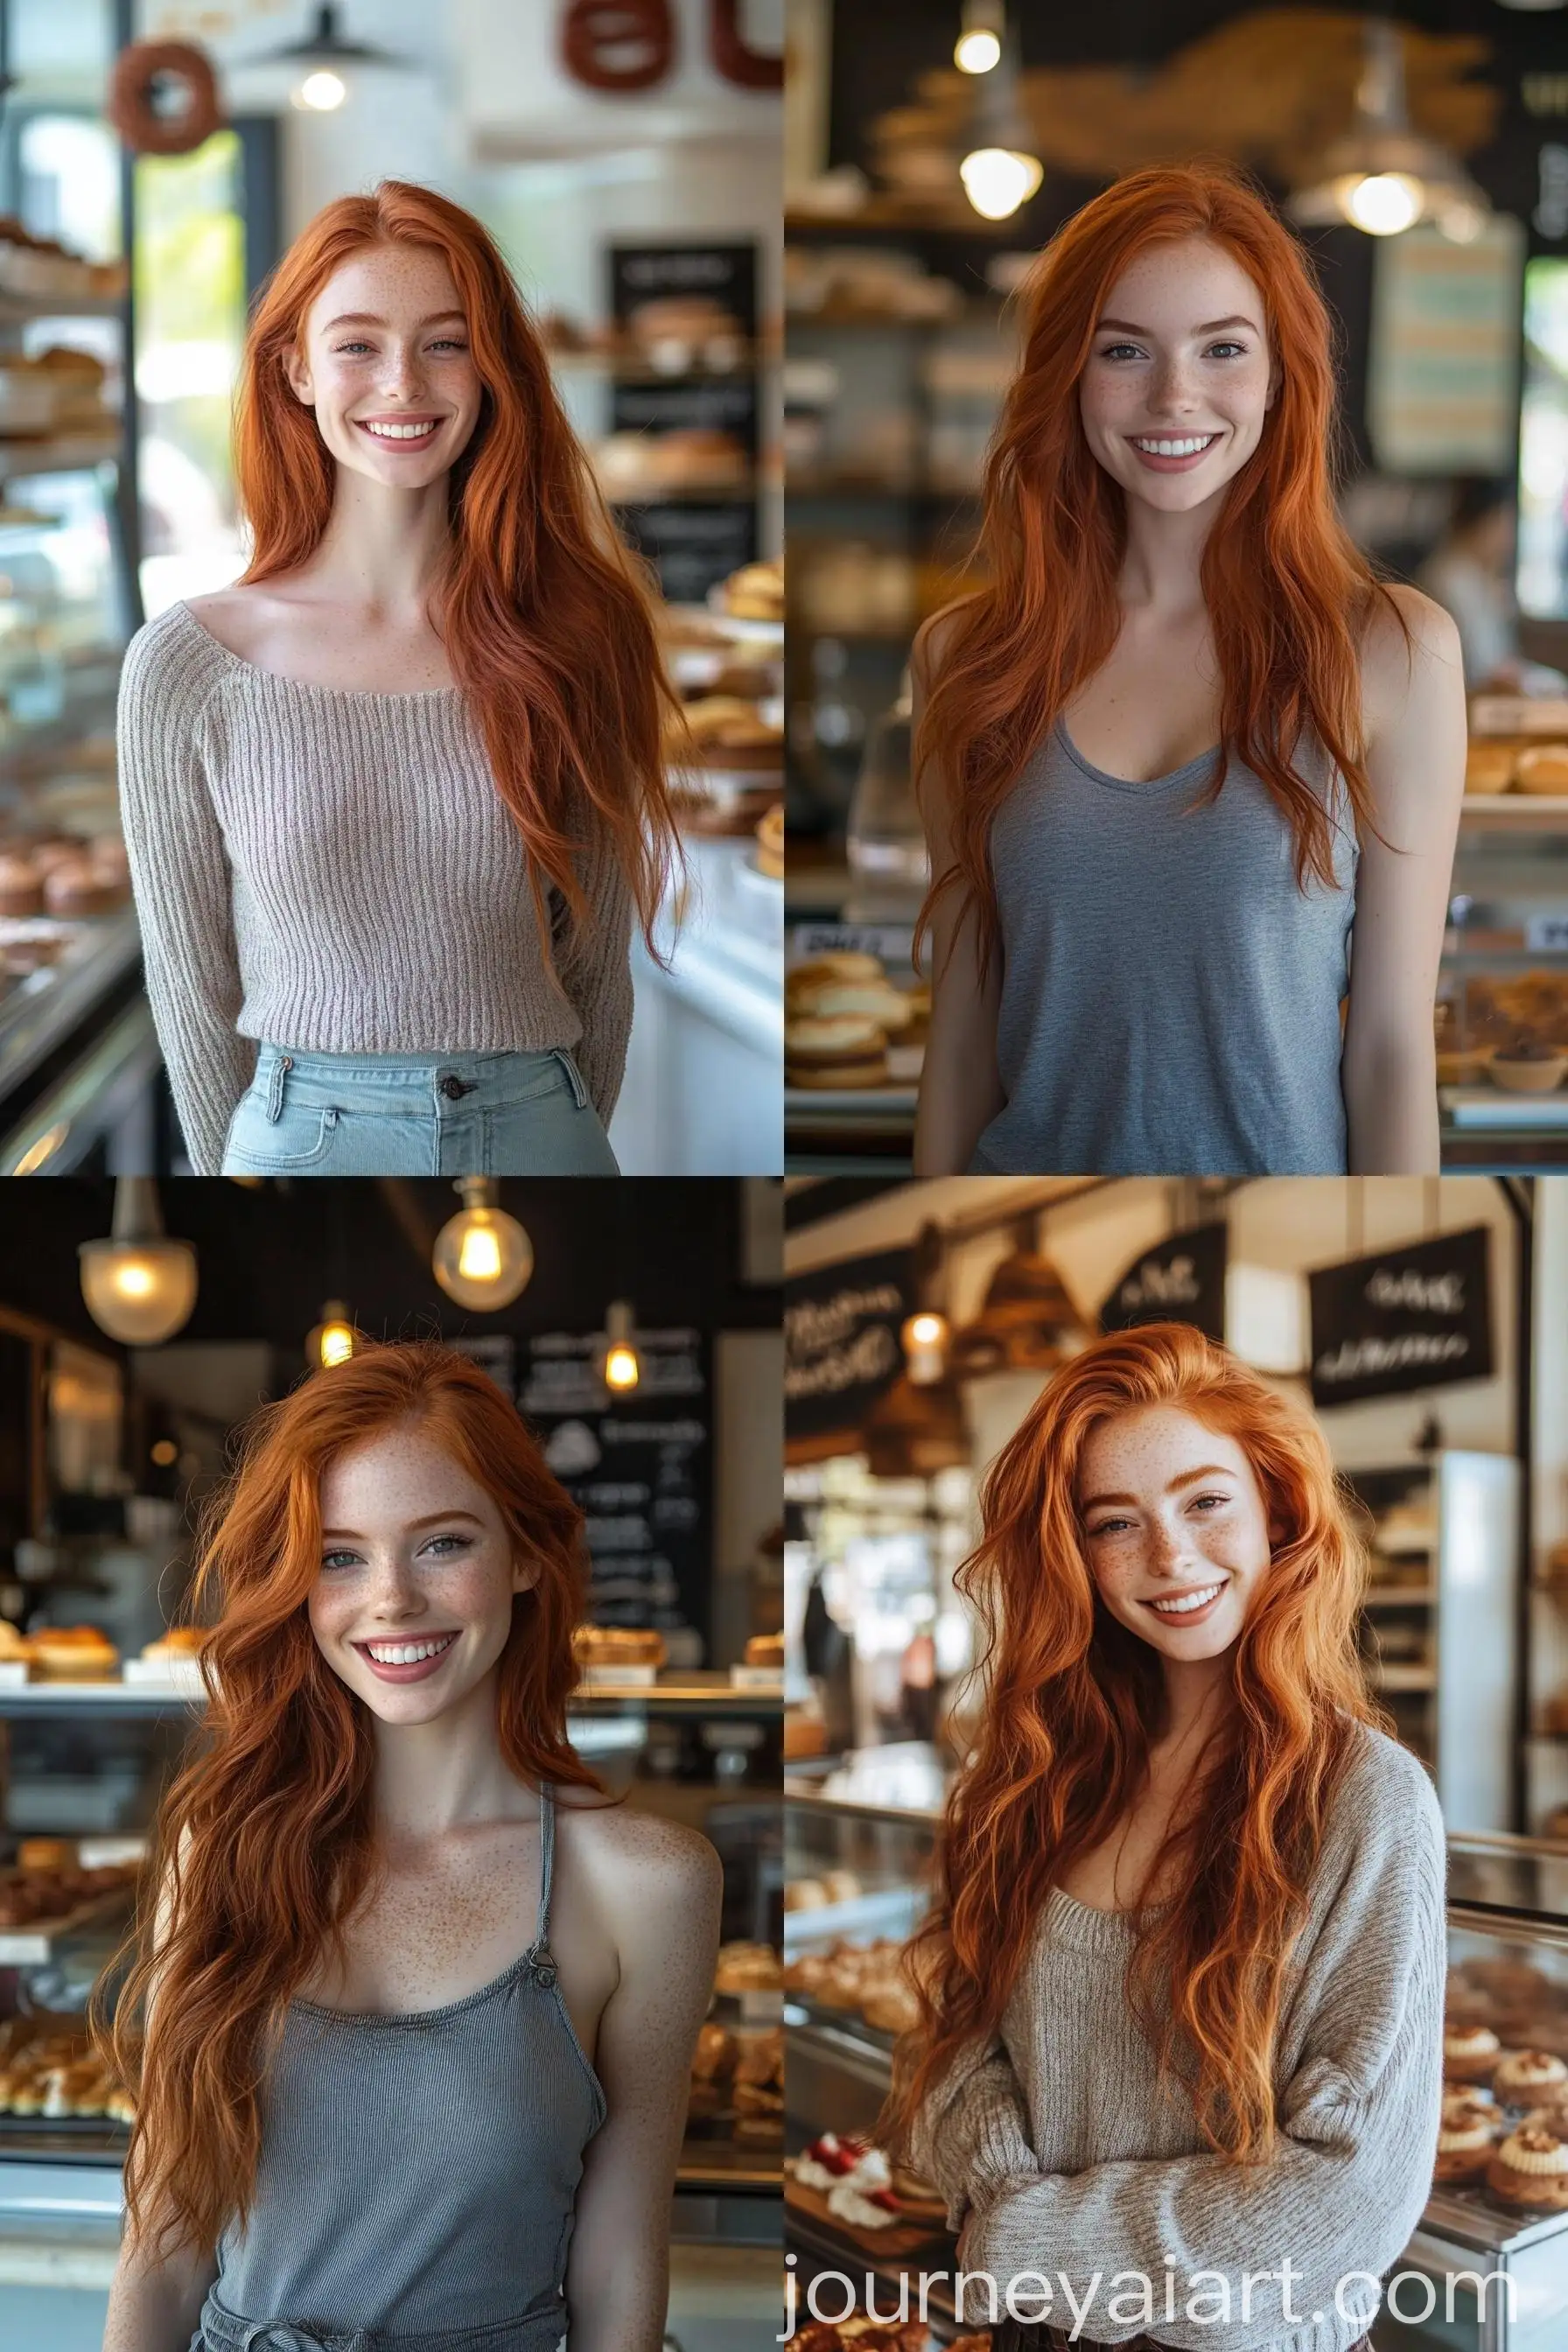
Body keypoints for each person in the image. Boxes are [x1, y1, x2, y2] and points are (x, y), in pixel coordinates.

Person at [95, 1341, 722, 2352]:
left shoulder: (648, 1886)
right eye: (339, 1556)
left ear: (524, 1555)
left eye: (442, 1544)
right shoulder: (220, 1853)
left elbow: (617, 2264)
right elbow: (163, 2240)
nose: (390, 1598)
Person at [881, 1322, 1445, 2352]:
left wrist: (1026, 2246)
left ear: (1276, 1508)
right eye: (1114, 1524)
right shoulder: (1041, 1775)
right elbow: (957, 2039)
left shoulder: (1368, 1800)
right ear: (1073, 1554)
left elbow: (1347, 2198)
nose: (1170, 1556)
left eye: (1205, 1501)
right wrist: (1010, 2210)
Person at [117, 180, 684, 1178]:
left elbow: (598, 970)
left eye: (445, 342)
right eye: (357, 344)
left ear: (493, 368)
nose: (403, 385)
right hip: (298, 1136)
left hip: (540, 1123)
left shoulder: (573, 632)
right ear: (293, 369)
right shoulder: (188, 665)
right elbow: (191, 993)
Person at [912, 163, 1466, 1179]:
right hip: (1011, 1231)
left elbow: (1389, 1048)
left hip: (1280, 1225)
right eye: (1124, 350)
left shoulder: (1394, 650)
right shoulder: (967, 657)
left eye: (1222, 349)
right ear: (1067, 374)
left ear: (1277, 377)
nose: (1175, 396)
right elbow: (962, 1035)